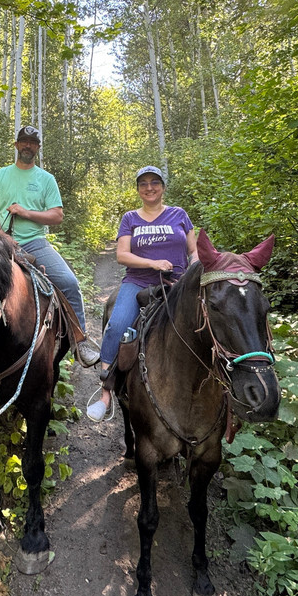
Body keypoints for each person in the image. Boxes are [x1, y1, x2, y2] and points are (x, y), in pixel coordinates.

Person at [86, 165, 198, 422]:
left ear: (163, 187)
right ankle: (105, 394)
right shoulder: (130, 218)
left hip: (178, 283)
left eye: (154, 182)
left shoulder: (179, 215)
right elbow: (121, 254)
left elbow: (195, 251)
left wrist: (193, 273)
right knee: (117, 326)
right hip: (138, 283)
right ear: (138, 190)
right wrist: (153, 263)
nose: (149, 187)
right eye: (143, 183)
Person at [0, 124, 99, 367]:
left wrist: (26, 213)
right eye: (24, 141)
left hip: (35, 243)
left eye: (32, 142)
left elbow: (57, 216)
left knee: (69, 283)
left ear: (37, 148)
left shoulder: (46, 179)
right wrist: (3, 236)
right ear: (16, 145)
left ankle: (80, 341)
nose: (28, 146)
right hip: (0, 245)